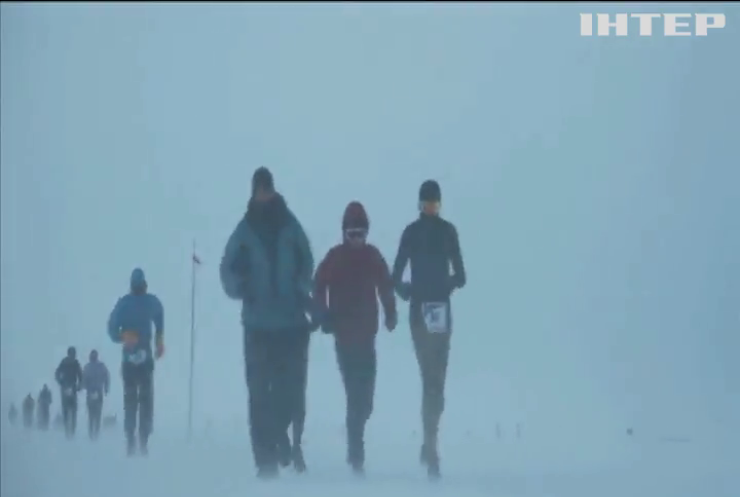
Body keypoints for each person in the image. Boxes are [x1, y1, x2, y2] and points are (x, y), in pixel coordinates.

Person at [219, 167, 315, 479]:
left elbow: (306, 258)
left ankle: (278, 439)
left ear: (273, 189)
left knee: (289, 395)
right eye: (259, 189)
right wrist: (240, 285)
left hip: (289, 324)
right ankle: (265, 463)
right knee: (259, 395)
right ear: (253, 192)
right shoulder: (244, 231)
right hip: (257, 326)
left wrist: (302, 288)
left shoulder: (290, 224)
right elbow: (226, 271)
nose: (264, 193)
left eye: (267, 188)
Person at [314, 201, 397, 475]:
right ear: (344, 233)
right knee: (354, 395)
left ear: (367, 233)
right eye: (351, 234)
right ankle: (355, 450)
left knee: (367, 400)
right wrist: (322, 314)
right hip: (343, 337)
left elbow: (386, 283)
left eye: (360, 234)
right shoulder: (335, 257)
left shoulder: (373, 256)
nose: (356, 240)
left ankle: (355, 431)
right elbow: (319, 283)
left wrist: (390, 312)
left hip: (367, 337)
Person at [391, 180, 466, 479]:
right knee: (430, 380)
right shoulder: (411, 233)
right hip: (420, 314)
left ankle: (428, 440)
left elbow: (462, 275)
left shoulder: (449, 232)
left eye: (435, 205)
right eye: (426, 205)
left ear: (440, 204)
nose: (431, 210)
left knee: (437, 383)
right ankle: (432, 449)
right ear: (419, 205)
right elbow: (395, 275)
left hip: (441, 313)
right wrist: (408, 291)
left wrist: (445, 285)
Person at [107, 267, 165, 456]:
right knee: (141, 400)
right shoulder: (143, 302)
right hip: (137, 358)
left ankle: (137, 439)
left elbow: (112, 327)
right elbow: (112, 328)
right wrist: (123, 336)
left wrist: (158, 340)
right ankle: (137, 439)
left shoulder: (128, 304)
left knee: (135, 399)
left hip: (137, 358)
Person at [82, 349, 110, 440]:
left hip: (96, 392)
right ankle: (93, 434)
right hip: (93, 392)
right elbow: (83, 379)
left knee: (95, 415)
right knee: (93, 415)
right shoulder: (95, 367)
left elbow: (106, 377)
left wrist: (106, 388)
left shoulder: (92, 367)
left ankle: (94, 434)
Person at [55, 347, 83, 438]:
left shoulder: (75, 363)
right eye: (72, 353)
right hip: (66, 387)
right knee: (67, 409)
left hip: (72, 387)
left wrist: (79, 385)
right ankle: (68, 430)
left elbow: (80, 375)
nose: (73, 355)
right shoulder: (65, 362)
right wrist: (61, 382)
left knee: (72, 409)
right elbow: (57, 373)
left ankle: (71, 430)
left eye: (73, 354)